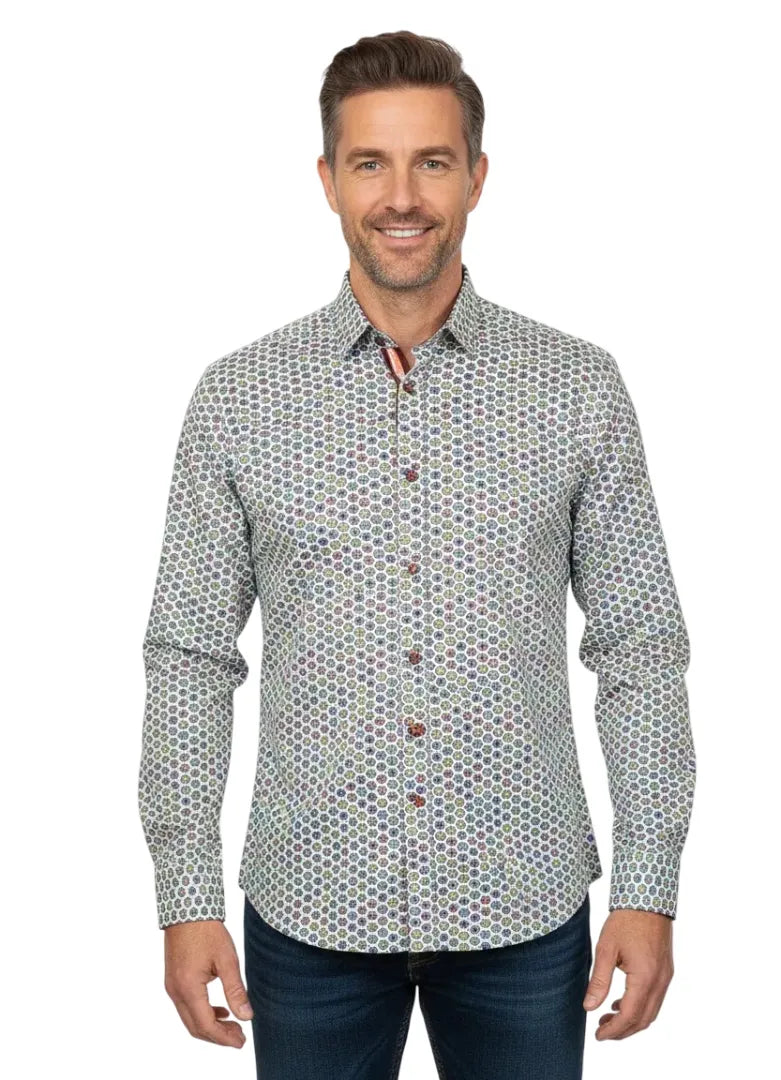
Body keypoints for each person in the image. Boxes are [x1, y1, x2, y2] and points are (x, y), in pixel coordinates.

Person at [138, 29, 696, 1080]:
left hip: (525, 910)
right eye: (371, 163)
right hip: (308, 913)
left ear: (476, 177)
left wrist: (648, 884)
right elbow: (189, 659)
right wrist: (186, 894)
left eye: (432, 162)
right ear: (327, 181)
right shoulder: (239, 400)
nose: (402, 197)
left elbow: (641, 648)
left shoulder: (576, 389)